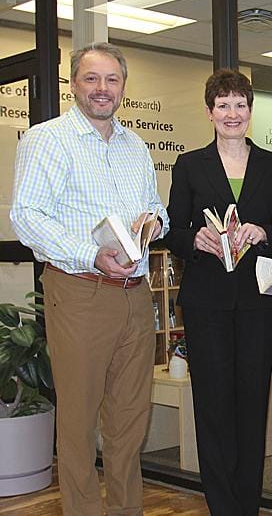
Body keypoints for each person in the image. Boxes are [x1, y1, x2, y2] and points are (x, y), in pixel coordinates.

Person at [10, 42, 169, 516]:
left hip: (135, 296)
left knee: (129, 422)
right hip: (78, 292)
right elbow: (28, 216)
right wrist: (90, 254)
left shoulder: (135, 145)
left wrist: (155, 224)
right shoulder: (47, 139)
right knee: (79, 426)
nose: (102, 89)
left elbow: (155, 208)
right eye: (91, 79)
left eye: (112, 80)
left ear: (123, 86)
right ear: (73, 83)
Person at [164, 69, 272, 516]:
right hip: (207, 302)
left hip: (259, 302)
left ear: (250, 112)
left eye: (240, 105)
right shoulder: (189, 165)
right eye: (223, 105)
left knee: (253, 404)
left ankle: (248, 505)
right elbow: (172, 229)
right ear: (209, 112)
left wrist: (263, 232)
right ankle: (222, 507)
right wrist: (193, 239)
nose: (232, 114)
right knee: (213, 407)